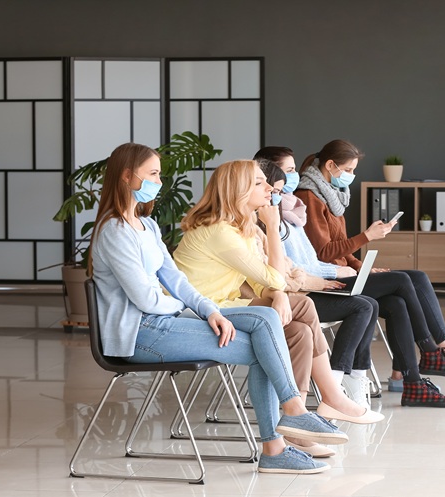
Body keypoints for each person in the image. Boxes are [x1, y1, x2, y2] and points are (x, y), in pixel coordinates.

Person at [89, 142, 347, 474]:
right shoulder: (114, 231)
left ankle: (290, 418)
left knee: (267, 318)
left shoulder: (147, 226)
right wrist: (185, 308)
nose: (159, 180)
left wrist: (208, 310)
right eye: (152, 174)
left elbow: (177, 280)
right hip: (140, 333)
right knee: (264, 345)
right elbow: (145, 299)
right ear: (127, 176)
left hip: (165, 321)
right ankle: (278, 441)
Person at [173, 160, 383, 457]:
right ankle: (325, 401)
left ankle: (299, 422)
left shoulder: (238, 228)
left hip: (229, 305)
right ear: (238, 190)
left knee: (297, 330)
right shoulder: (220, 232)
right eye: (260, 183)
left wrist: (278, 294)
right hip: (203, 313)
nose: (269, 188)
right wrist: (272, 227)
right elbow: (274, 277)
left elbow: (262, 282)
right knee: (304, 306)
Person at [292, 141, 445, 399]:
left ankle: (412, 382)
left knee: (400, 299)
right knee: (403, 280)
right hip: (328, 281)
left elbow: (341, 251)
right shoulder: (308, 196)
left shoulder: (330, 194)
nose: (352, 175)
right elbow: (323, 254)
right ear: (330, 165)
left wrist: (364, 267)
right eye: (349, 169)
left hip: (345, 274)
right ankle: (435, 351)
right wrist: (367, 236)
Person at [254, 155, 379, 409]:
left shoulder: (292, 213)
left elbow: (296, 266)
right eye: (287, 172)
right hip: (296, 292)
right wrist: (328, 276)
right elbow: (284, 273)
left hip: (307, 285)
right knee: (366, 304)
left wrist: (340, 271)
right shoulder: (268, 221)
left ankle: (348, 383)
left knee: (378, 301)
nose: (293, 177)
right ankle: (334, 387)